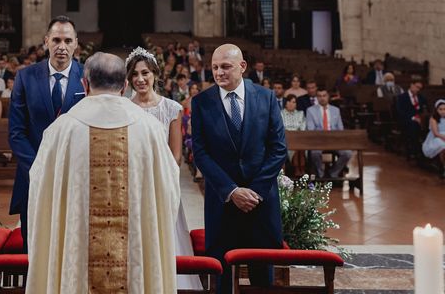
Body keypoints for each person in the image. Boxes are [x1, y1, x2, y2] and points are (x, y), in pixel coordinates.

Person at [26, 52, 180, 293]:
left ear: (84, 84)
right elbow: (169, 190)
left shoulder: (61, 130)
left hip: (77, 259)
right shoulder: (150, 130)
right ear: (125, 85)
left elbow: (39, 192)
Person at [192, 44, 287, 291]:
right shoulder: (202, 102)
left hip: (260, 203)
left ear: (242, 66)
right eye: (214, 67)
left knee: (261, 280)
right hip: (223, 203)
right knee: (221, 278)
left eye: (226, 66)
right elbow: (200, 153)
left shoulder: (266, 98)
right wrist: (232, 191)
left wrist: (254, 192)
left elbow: (278, 149)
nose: (219, 72)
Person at [126, 47, 201, 290]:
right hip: (132, 184)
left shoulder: (171, 108)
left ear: (155, 74)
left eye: (145, 73)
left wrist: (159, 180)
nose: (140, 79)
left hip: (163, 183)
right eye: (135, 74)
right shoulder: (125, 107)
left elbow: (176, 155)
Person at [9, 16, 85, 250]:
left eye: (67, 40)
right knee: (34, 244)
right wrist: (38, 167)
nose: (62, 46)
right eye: (56, 40)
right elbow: (16, 132)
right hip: (34, 174)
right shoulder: (26, 76)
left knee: (73, 244)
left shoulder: (87, 77)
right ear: (46, 41)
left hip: (76, 173)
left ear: (76, 43)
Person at [306, 87, 351, 179]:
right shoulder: (310, 110)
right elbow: (311, 129)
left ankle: (333, 173)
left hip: (335, 141)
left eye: (324, 96)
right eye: (319, 96)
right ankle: (321, 174)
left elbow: (340, 128)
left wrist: (334, 138)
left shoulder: (336, 110)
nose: (322, 98)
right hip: (318, 141)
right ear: (317, 98)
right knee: (314, 153)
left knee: (347, 153)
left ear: (328, 97)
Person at [396, 80, 428, 160]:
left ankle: (425, 150)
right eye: (417, 87)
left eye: (420, 88)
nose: (418, 90)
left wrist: (421, 118)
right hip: (407, 119)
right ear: (411, 85)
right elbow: (400, 112)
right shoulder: (402, 97)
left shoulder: (421, 97)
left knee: (428, 124)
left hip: (419, 118)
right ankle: (414, 150)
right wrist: (413, 118)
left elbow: (425, 109)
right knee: (413, 125)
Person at [422, 99, 445, 178]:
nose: (443, 111)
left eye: (444, 109)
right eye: (440, 109)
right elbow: (435, 133)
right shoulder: (434, 119)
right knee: (442, 146)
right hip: (437, 137)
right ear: (436, 110)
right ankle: (443, 166)